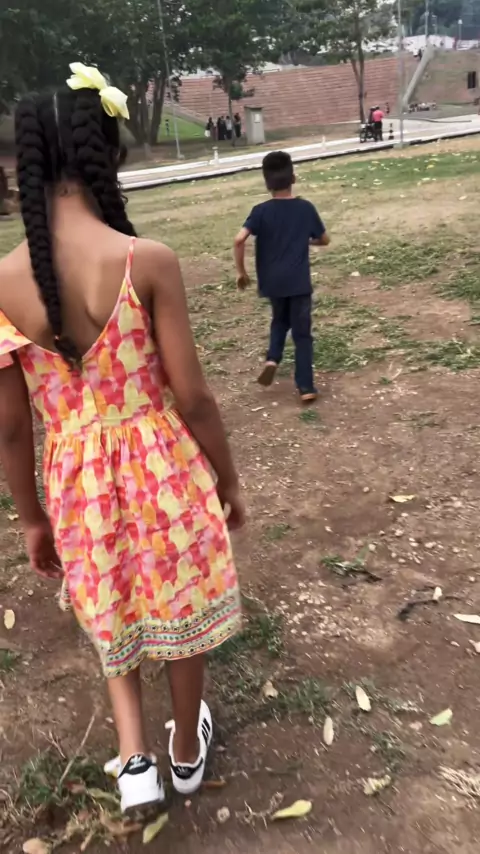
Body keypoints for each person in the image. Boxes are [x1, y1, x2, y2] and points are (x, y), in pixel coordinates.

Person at [0, 62, 243, 814]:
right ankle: (184, 748)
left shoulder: (0, 284)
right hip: (162, 466)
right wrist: (227, 478)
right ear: (105, 154)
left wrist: (31, 517)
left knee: (114, 601)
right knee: (178, 603)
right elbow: (193, 396)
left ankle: (134, 756)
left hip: (75, 480)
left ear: (24, 165)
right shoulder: (147, 261)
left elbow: (10, 425)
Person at [233, 151, 330, 403]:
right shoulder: (305, 208)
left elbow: (239, 239)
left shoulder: (260, 211)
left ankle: (272, 358)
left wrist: (241, 271)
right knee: (302, 334)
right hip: (298, 282)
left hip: (272, 282)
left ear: (267, 183)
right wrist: (308, 241)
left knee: (279, 320)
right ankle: (306, 386)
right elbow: (324, 239)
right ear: (293, 178)